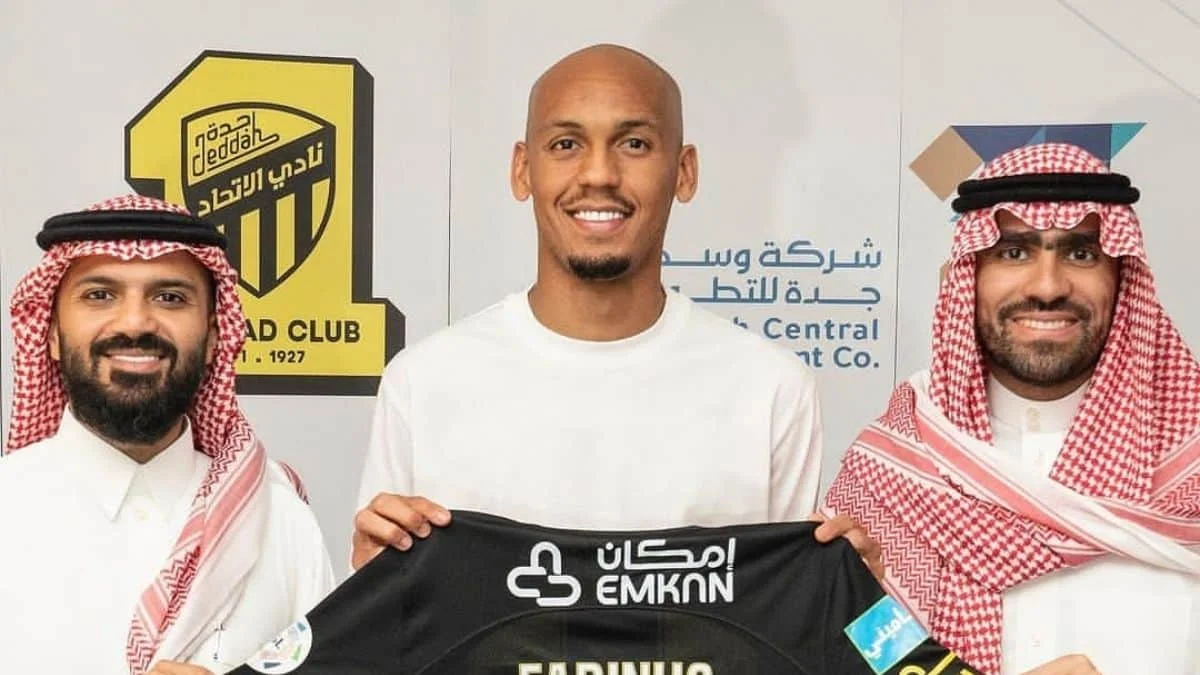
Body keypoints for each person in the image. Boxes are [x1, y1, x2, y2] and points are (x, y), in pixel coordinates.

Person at [352, 44, 879, 574]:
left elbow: (786, 610)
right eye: (566, 144)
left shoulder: (771, 389)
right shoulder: (423, 382)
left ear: (684, 172)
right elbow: (386, 606)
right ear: (522, 169)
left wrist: (849, 596)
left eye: (634, 144)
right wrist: (368, 581)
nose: (599, 174)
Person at [822, 142, 1200, 675]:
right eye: (1014, 253)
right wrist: (845, 605)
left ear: (1123, 277)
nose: (1047, 287)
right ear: (968, 275)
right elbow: (843, 659)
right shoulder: (886, 478)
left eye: (1081, 254)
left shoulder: (1192, 464)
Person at [0, 195, 335, 674]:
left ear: (215, 336)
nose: (135, 322)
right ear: (51, 333)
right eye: (100, 295)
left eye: (170, 297)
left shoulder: (278, 517)